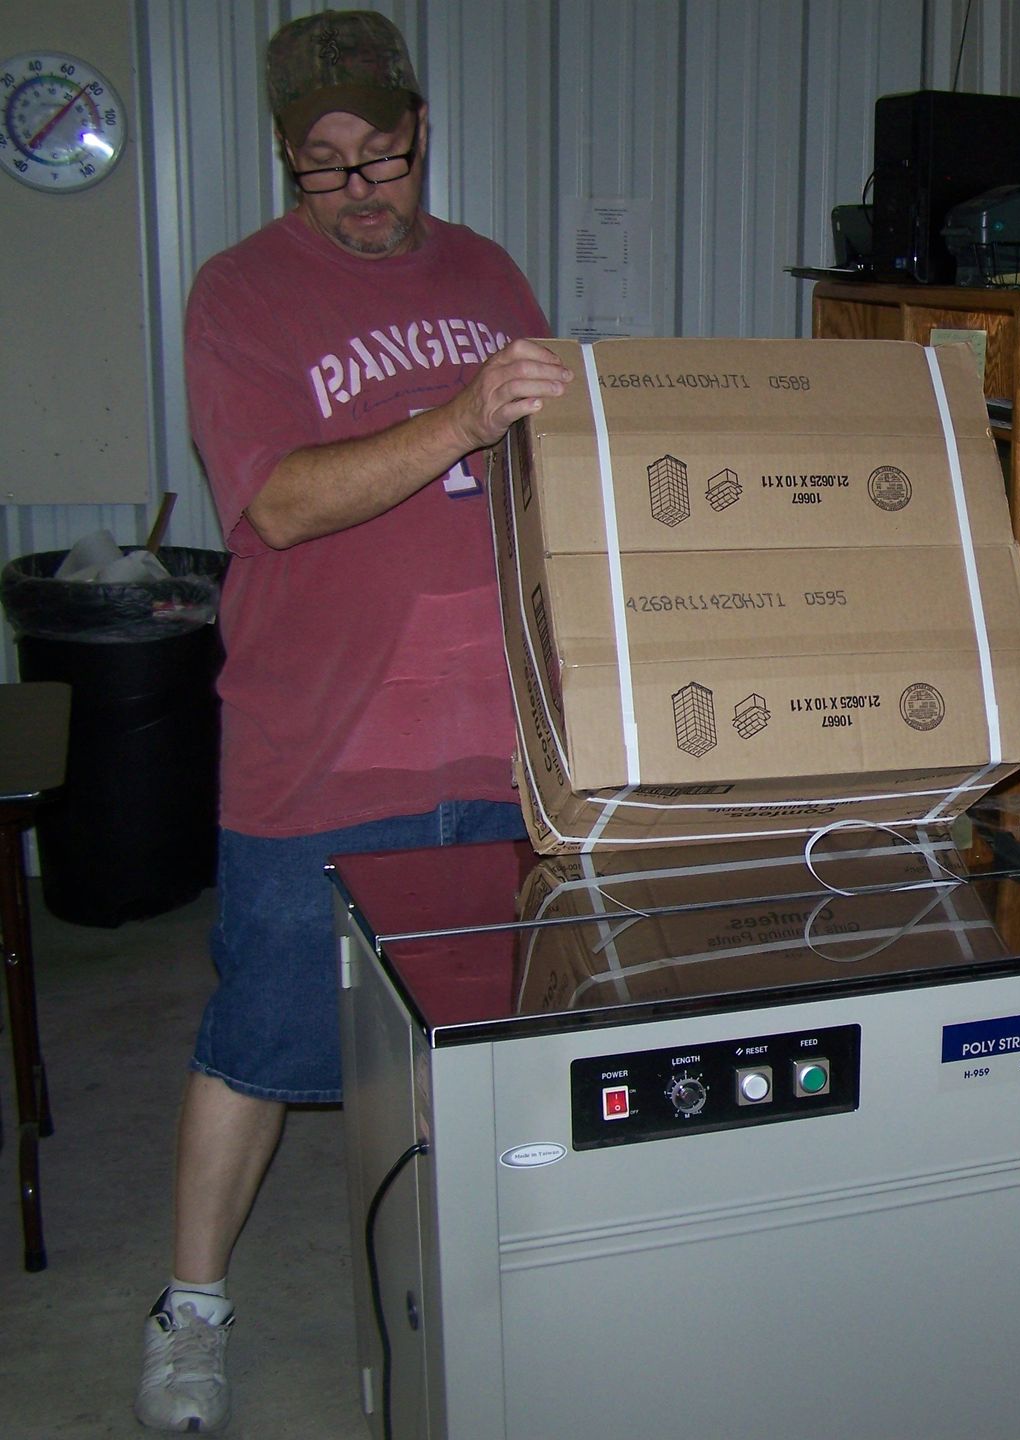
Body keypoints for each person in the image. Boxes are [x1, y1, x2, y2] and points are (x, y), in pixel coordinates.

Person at [136, 11, 571, 1432]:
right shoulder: (239, 296)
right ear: (285, 162)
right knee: (259, 1041)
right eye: (323, 164)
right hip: (316, 753)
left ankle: (490, 1287)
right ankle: (192, 1311)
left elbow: (539, 478)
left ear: (420, 130)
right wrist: (457, 419)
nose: (359, 185)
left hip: (494, 746)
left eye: (379, 151)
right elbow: (273, 503)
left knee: (483, 1045)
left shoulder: (491, 270)